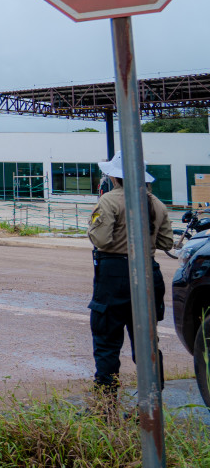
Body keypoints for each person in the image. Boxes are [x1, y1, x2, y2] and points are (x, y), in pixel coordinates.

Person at [86, 152, 173, 395]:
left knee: (107, 341)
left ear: (114, 177)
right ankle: (151, 403)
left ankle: (105, 404)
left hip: (114, 274)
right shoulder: (156, 203)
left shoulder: (109, 201)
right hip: (148, 272)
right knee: (147, 342)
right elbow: (166, 243)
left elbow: (101, 240)